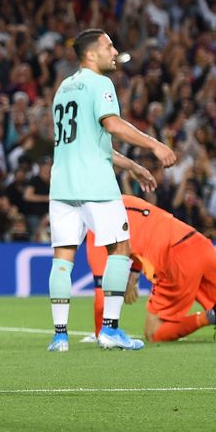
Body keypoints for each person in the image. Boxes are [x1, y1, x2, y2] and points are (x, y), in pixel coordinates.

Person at [46, 28, 176, 353]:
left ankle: (59, 337)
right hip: (95, 183)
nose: (115, 52)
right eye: (109, 46)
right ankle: (110, 330)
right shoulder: (100, 83)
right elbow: (112, 124)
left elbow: (88, 143)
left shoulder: (64, 88)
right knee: (120, 248)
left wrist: (131, 165)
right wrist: (155, 144)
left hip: (62, 184)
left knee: (62, 258)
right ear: (91, 54)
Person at [85, 195, 216, 343]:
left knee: (153, 332)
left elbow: (102, 298)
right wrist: (134, 273)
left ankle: (211, 316)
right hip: (200, 244)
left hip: (175, 257)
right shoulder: (124, 200)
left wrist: (100, 333)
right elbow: (143, 230)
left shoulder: (96, 228)